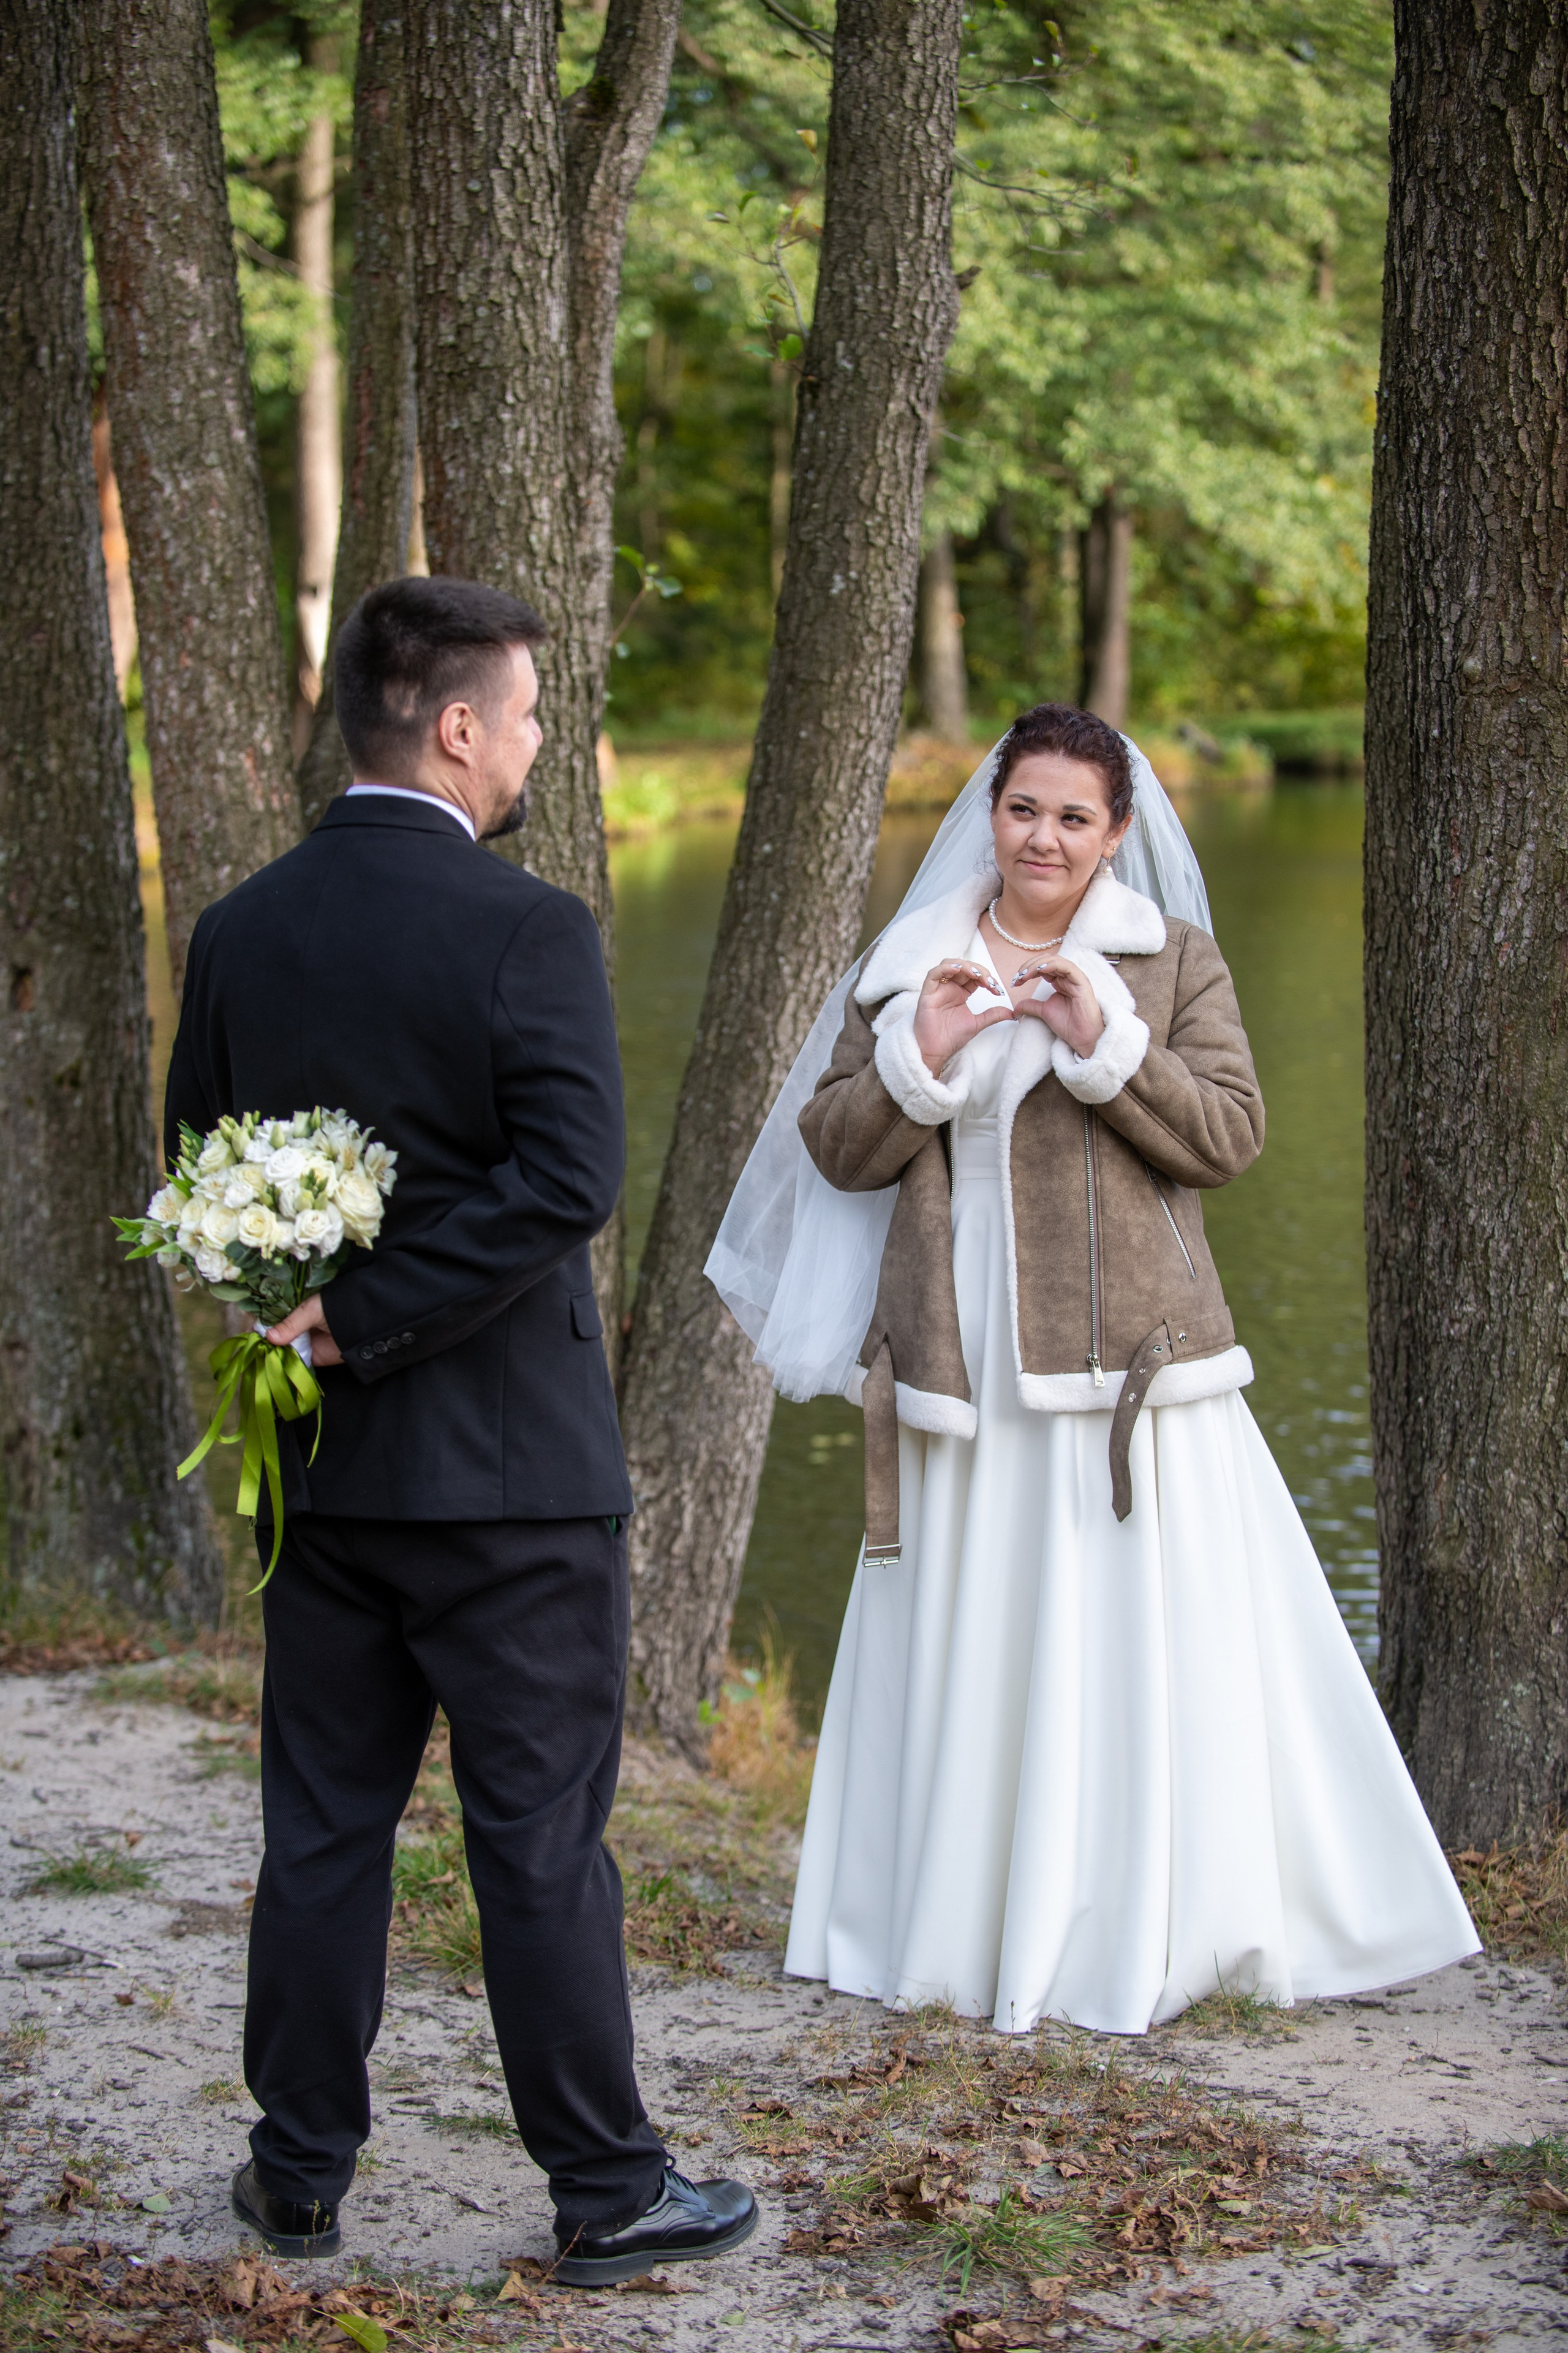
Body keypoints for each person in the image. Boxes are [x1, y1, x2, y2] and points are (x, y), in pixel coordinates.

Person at [708, 703, 1477, 2036]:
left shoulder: (1167, 961)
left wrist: (1105, 1043)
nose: (1042, 837)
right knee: (978, 1637)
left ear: (1114, 831)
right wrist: (922, 1054)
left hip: (1126, 1372)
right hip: (961, 1374)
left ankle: (1136, 1927)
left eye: (1073, 815)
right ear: (988, 812)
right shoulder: (912, 961)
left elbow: (1228, 1135)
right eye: (1022, 808)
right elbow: (835, 1146)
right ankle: (952, 1927)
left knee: (1124, 1646)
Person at [165, 575, 756, 2281]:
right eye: (524, 717)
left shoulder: (238, 930)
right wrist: (365, 1317)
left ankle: (296, 2174)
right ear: (452, 726)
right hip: (512, 1489)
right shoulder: (529, 928)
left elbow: (202, 1170)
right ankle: (607, 2188)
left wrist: (309, 1315)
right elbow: (569, 1182)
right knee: (540, 1840)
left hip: (327, 1480)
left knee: (325, 1826)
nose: (535, 746)